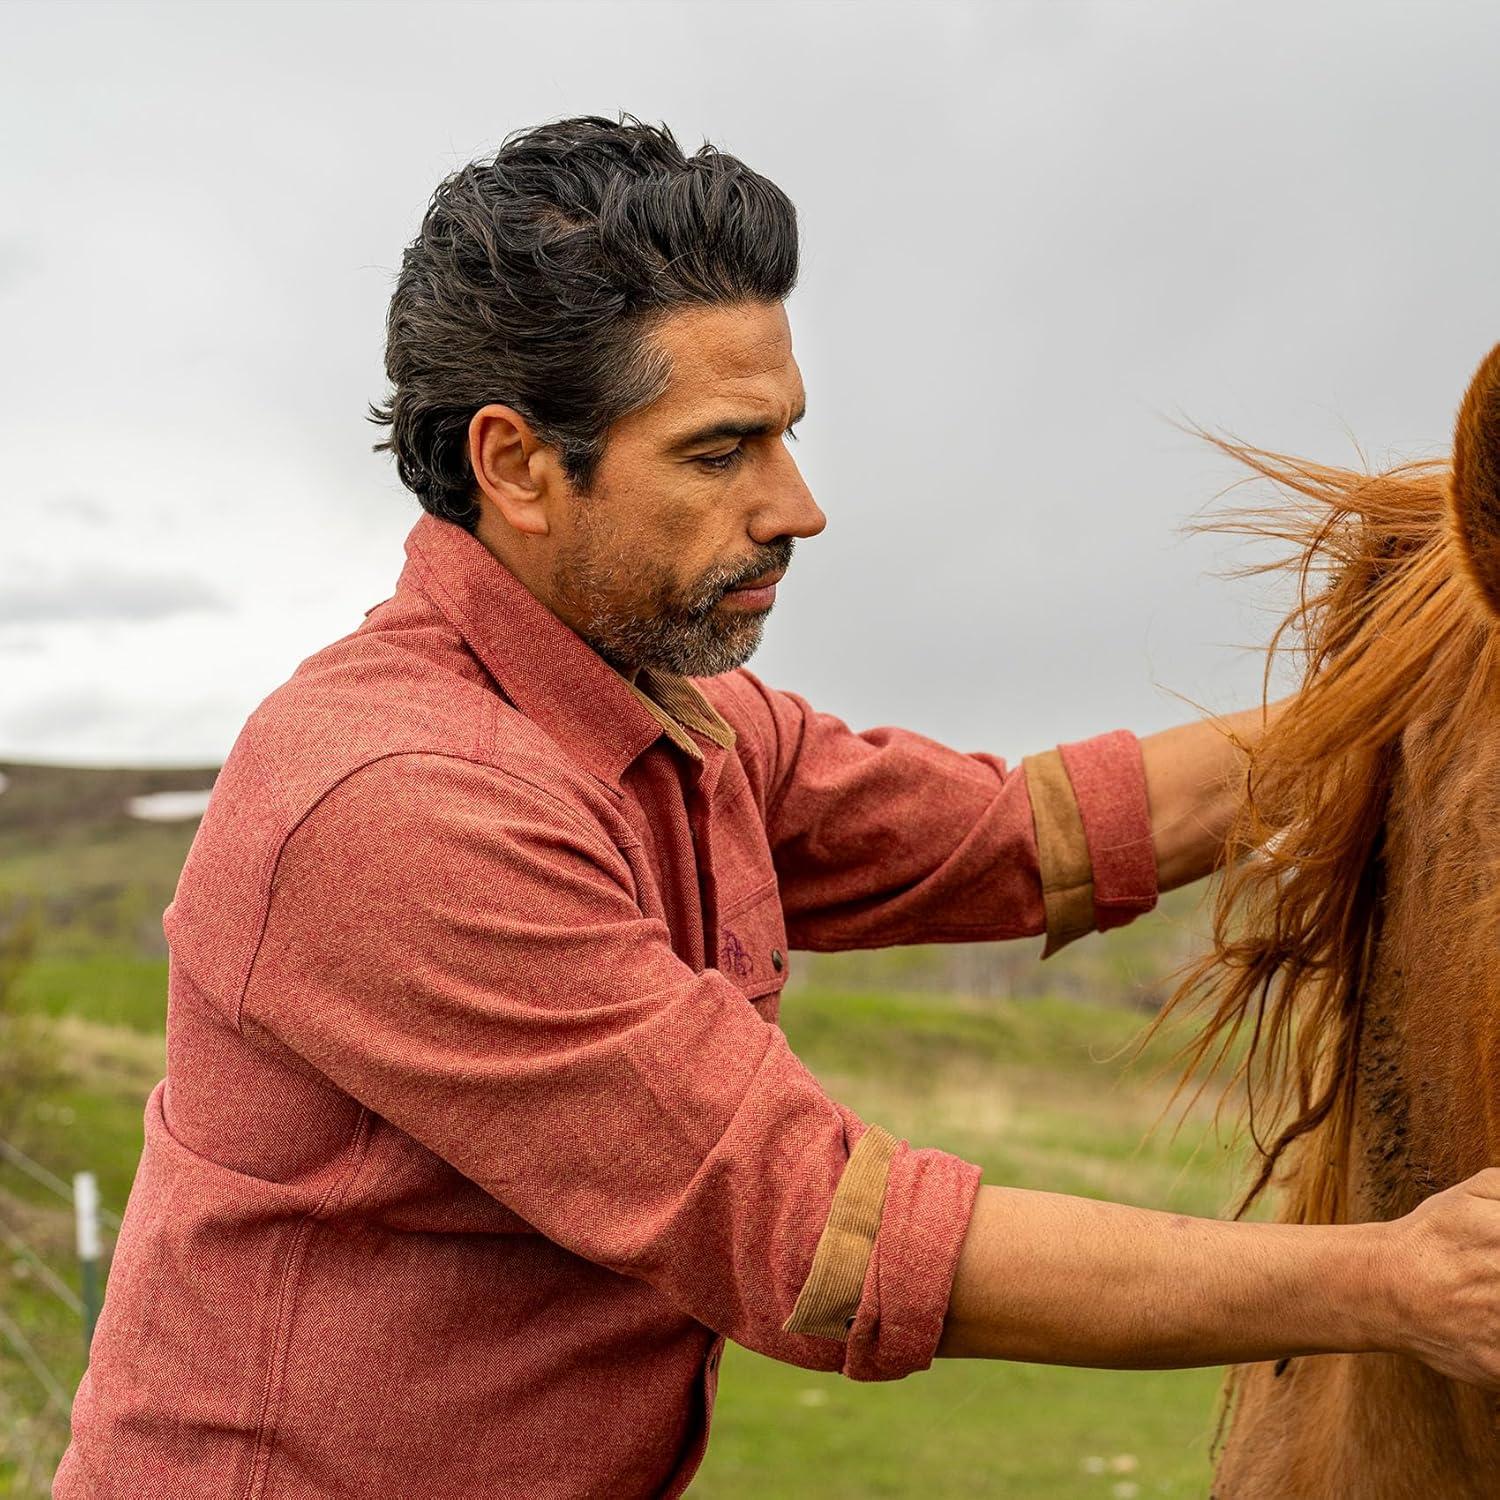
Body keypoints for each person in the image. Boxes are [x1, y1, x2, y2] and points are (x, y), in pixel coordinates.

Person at [55, 114, 1500, 1500]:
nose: (798, 505)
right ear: (514, 466)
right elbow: (824, 1240)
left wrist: (1436, 653)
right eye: (719, 450)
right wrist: (1394, 1282)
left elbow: (1018, 836)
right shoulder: (399, 810)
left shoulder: (668, 714)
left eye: (786, 435)